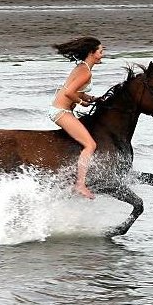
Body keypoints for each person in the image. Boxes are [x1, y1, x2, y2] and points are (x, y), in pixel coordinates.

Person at [49, 37, 104, 199]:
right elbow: (69, 93)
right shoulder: (86, 72)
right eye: (100, 52)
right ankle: (80, 184)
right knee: (90, 145)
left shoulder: (83, 67)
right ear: (91, 53)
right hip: (61, 112)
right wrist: (82, 102)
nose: (102, 55)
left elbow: (76, 91)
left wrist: (91, 98)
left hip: (63, 110)